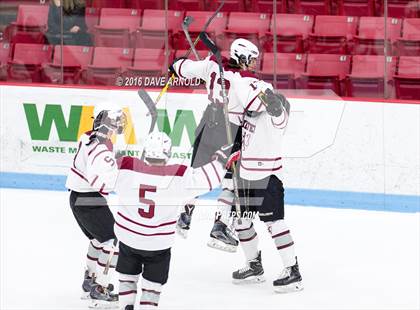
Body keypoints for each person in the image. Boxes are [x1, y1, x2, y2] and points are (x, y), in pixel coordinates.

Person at [113, 131, 240, 310]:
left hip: (128, 239)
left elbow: (103, 174)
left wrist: (115, 156)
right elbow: (206, 180)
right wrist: (220, 159)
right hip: (158, 245)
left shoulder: (125, 167)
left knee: (127, 278)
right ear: (168, 153)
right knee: (152, 286)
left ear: (145, 151)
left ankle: (125, 306)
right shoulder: (178, 175)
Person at [170, 38, 265, 253]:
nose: (254, 64)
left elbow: (182, 67)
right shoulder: (245, 78)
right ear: (242, 58)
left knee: (195, 173)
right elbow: (256, 106)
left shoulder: (213, 63)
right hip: (229, 130)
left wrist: (175, 66)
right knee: (230, 182)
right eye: (252, 60)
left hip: (206, 123)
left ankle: (182, 217)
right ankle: (220, 227)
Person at [232, 88, 304, 293]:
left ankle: (292, 271)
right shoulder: (249, 112)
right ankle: (254, 266)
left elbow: (280, 118)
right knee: (241, 221)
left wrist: (276, 107)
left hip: (267, 179)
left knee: (274, 224)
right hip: (245, 177)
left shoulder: (274, 116)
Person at [65, 102, 126, 307]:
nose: (120, 125)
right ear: (107, 124)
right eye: (116, 121)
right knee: (112, 242)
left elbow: (94, 159)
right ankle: (99, 289)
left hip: (76, 197)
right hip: (89, 199)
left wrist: (113, 160)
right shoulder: (103, 148)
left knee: (98, 240)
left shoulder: (87, 136)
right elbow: (100, 183)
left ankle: (89, 282)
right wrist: (117, 175)